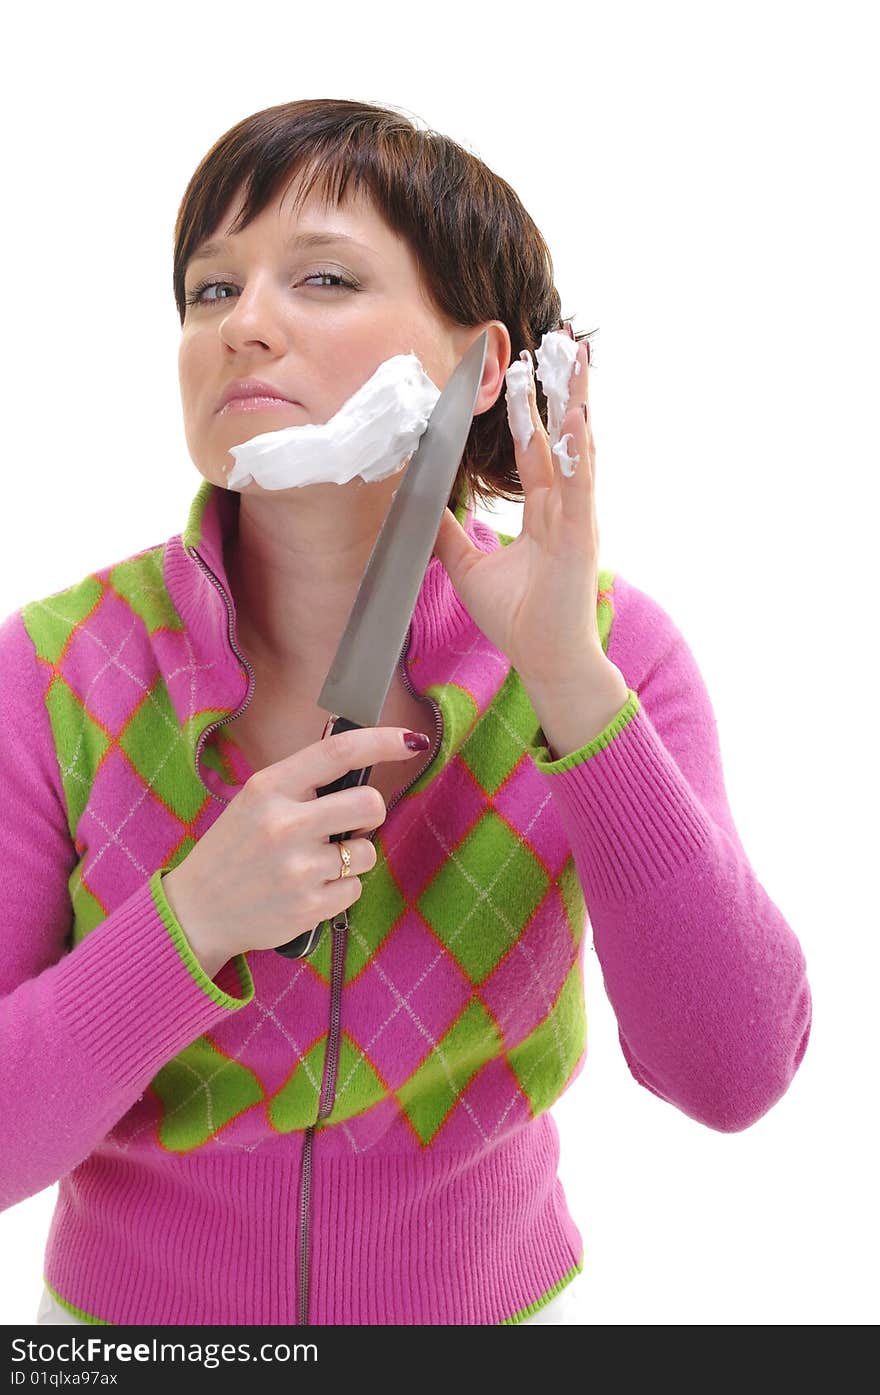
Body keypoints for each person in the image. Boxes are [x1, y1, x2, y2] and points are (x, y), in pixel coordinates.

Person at [0, 97, 812, 1328]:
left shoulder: (615, 653)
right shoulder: (56, 671)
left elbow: (732, 1075)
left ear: (482, 366)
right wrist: (191, 922)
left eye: (321, 277)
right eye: (210, 291)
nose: (244, 327)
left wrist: (573, 689)